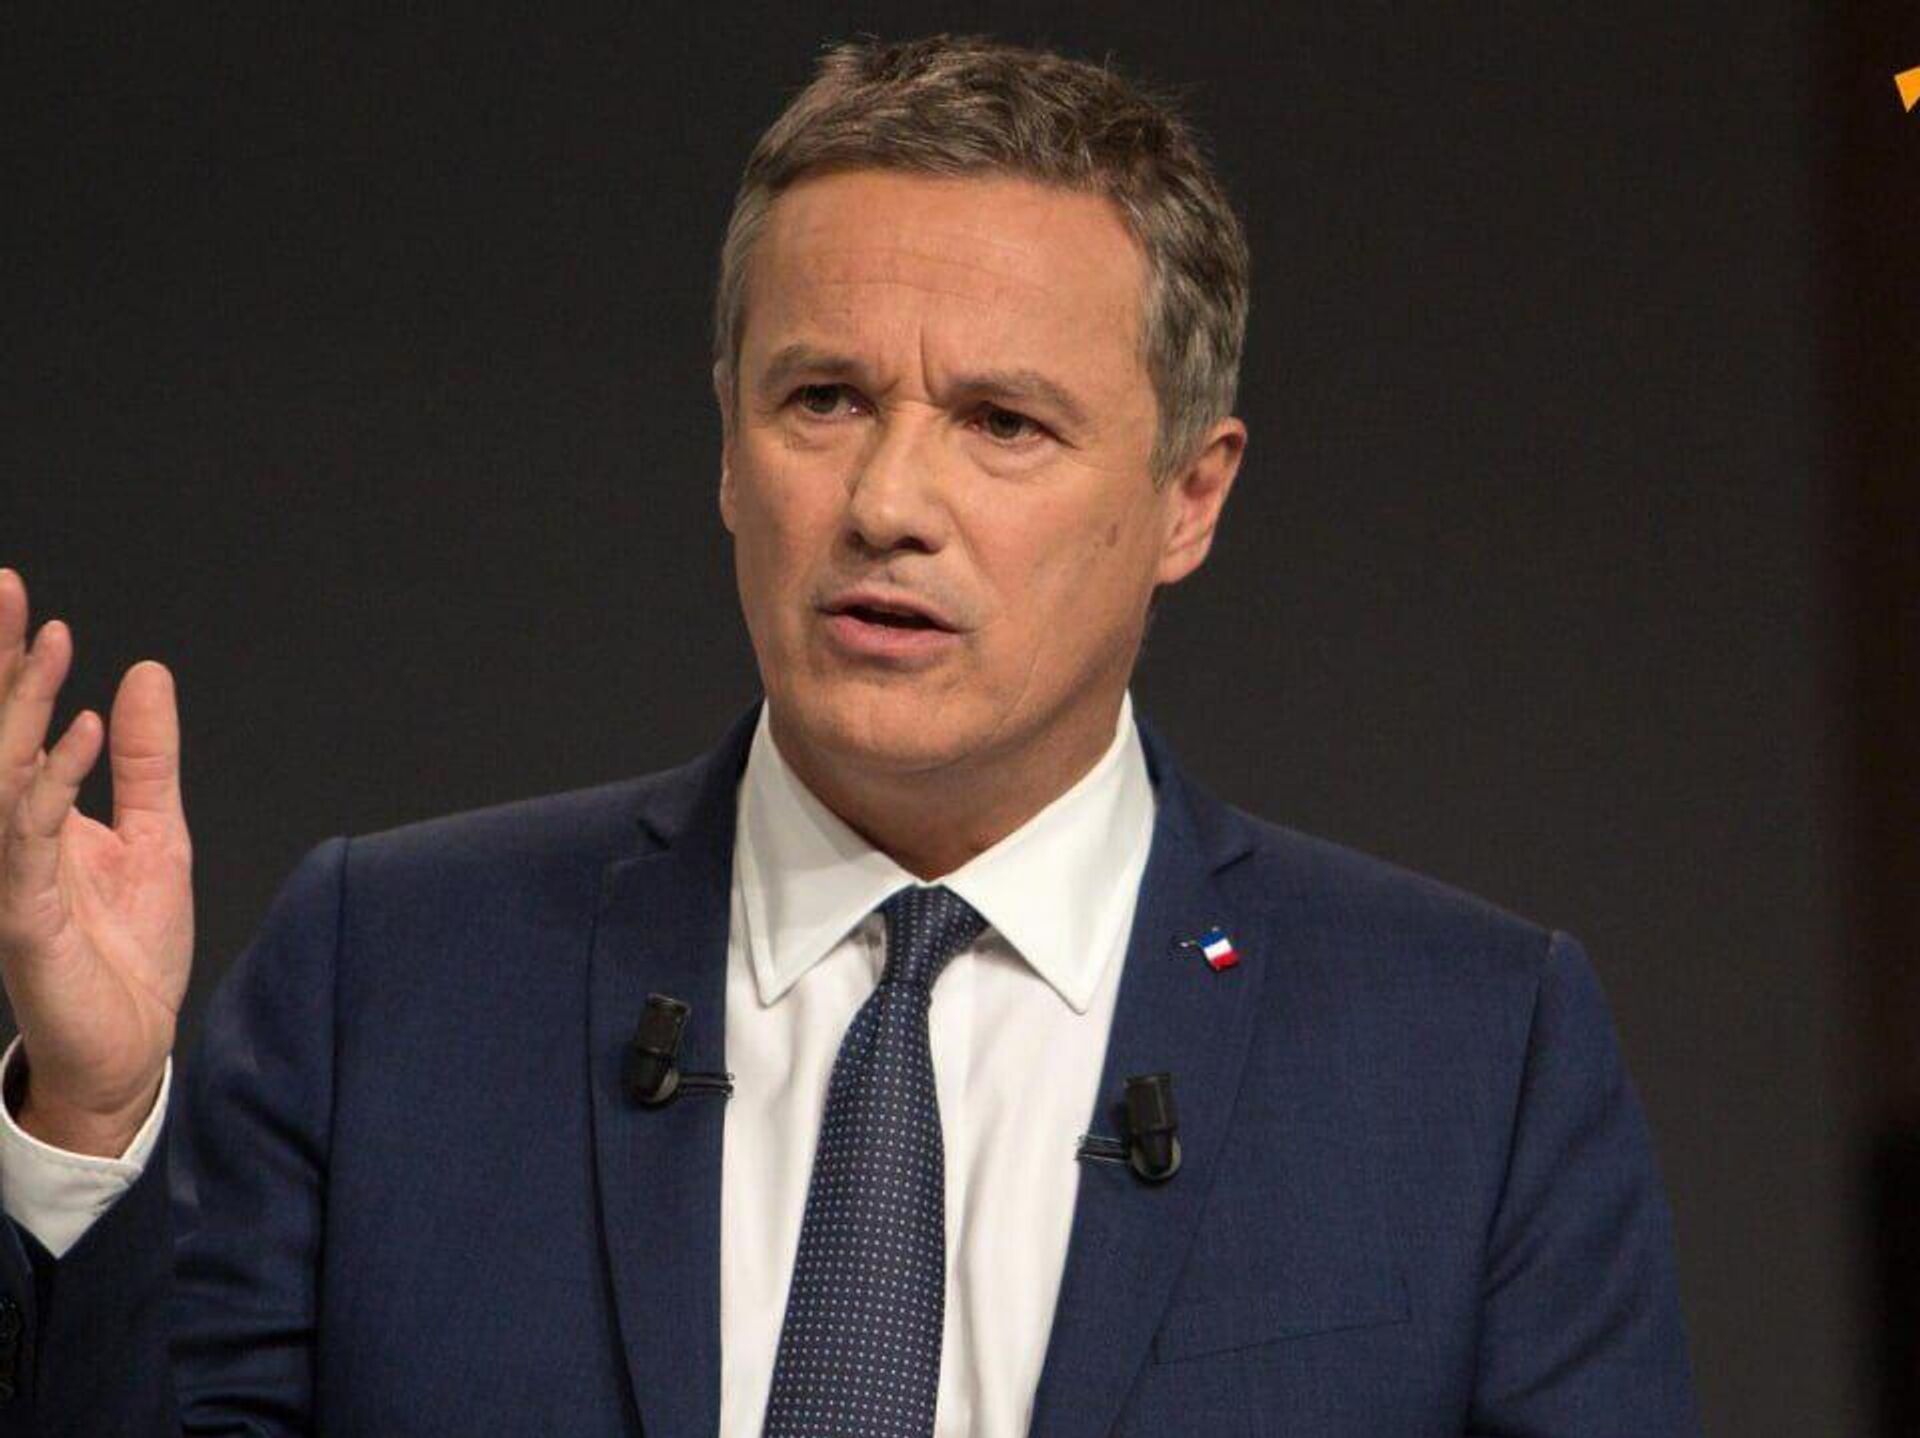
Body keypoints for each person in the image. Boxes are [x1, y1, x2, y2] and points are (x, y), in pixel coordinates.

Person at [0, 33, 1700, 1437]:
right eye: (824, 399)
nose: (889, 501)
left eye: (1003, 423)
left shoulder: (1470, 1057)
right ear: (727, 447)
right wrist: (89, 1115)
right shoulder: (387, 974)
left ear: (1191, 496)